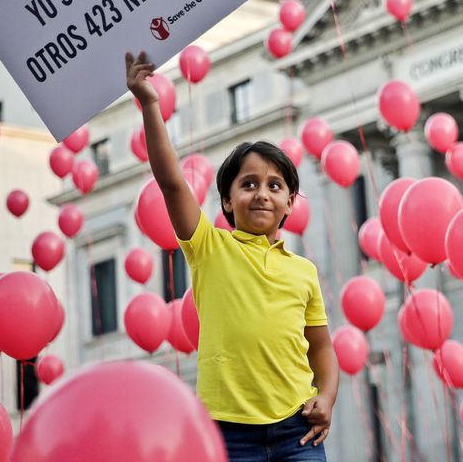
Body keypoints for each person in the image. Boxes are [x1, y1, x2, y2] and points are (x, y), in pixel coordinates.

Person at [126, 52, 337, 461]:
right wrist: (150, 105)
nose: (262, 193)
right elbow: (171, 183)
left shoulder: (303, 271)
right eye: (249, 184)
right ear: (226, 198)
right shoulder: (208, 246)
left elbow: (322, 348)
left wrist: (326, 397)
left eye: (275, 186)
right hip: (227, 435)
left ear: (291, 202)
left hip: (297, 432)